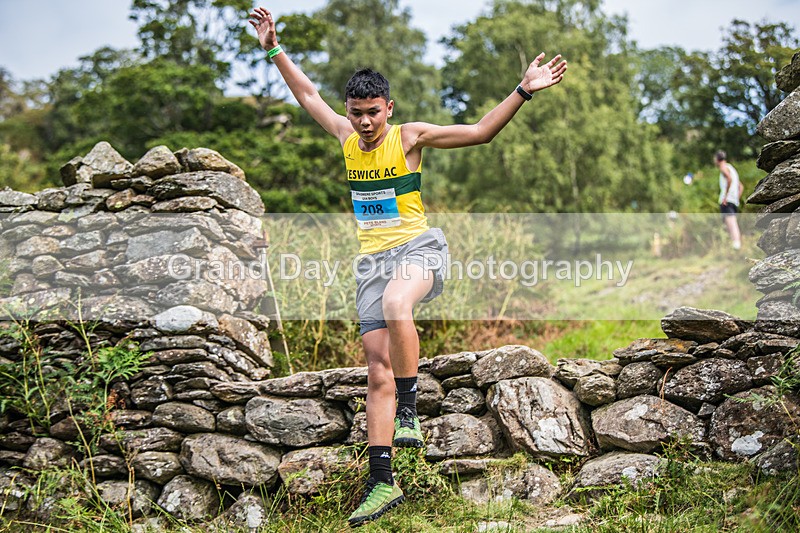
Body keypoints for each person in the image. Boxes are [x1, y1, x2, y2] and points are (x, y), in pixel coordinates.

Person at [249, 6, 567, 526]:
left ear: (389, 108)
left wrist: (524, 89)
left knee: (400, 304)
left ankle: (411, 415)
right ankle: (381, 483)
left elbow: (482, 131)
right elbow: (307, 94)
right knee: (376, 372)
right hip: (370, 265)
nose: (365, 122)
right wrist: (272, 48)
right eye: (357, 113)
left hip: (418, 251)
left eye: (374, 112)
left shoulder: (409, 138)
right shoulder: (347, 138)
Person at [714, 150, 743, 250]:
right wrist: (736, 199)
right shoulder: (732, 168)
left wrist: (725, 197)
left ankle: (736, 246)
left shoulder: (723, 167)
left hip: (727, 201)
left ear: (717, 159)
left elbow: (729, 179)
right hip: (734, 201)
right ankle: (735, 245)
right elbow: (741, 187)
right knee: (732, 224)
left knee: (731, 224)